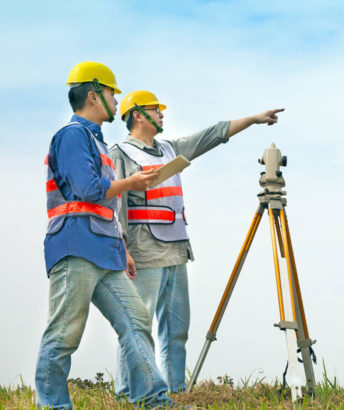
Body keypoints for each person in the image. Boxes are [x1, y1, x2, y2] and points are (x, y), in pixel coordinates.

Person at [110, 89, 283, 393]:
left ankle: (173, 391)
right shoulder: (120, 154)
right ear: (137, 115)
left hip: (176, 250)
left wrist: (254, 120)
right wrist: (121, 248)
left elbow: (212, 135)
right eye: (155, 109)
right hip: (143, 252)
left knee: (176, 330)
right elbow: (115, 205)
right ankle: (130, 393)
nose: (162, 114)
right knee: (138, 327)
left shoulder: (169, 149)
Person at [35, 62, 175, 409]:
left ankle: (152, 400)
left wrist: (121, 247)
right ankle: (52, 406)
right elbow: (86, 189)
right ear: (95, 94)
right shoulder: (72, 135)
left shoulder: (97, 142)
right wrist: (132, 182)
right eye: (113, 93)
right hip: (75, 246)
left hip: (105, 251)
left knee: (137, 322)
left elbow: (106, 208)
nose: (117, 99)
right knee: (64, 335)